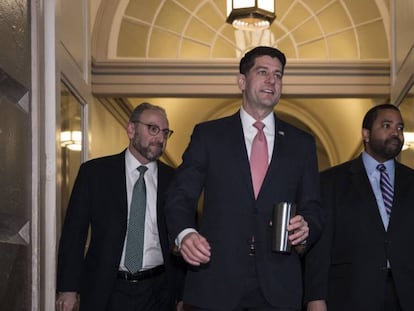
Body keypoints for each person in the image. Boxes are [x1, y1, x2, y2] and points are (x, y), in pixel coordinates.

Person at [165, 46, 323, 310]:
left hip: (279, 286)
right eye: (263, 72)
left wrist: (307, 227)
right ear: (241, 81)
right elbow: (180, 195)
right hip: (215, 282)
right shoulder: (209, 136)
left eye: (278, 75)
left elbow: (314, 208)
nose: (272, 80)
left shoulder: (302, 144)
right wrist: (185, 234)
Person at [56, 103, 184, 311]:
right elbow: (74, 233)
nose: (160, 138)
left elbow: (181, 237)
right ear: (131, 129)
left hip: (158, 291)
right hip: (106, 288)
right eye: (153, 129)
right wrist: (68, 289)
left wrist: (182, 294)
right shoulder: (94, 174)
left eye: (165, 132)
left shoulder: (174, 179)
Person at [304, 104, 414, 311]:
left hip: (406, 295)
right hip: (351, 294)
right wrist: (315, 297)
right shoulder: (330, 182)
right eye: (387, 125)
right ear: (366, 134)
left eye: (400, 127)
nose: (396, 133)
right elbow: (320, 245)